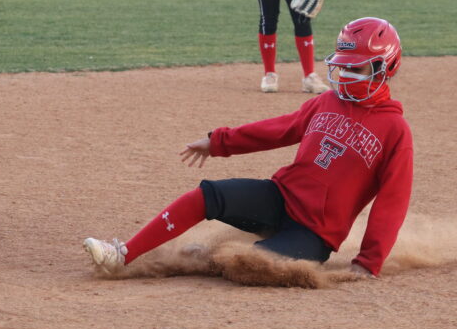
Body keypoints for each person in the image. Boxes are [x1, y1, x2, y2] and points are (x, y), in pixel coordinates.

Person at [84, 18, 413, 279]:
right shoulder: (326, 101)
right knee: (206, 195)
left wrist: (369, 262)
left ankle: (208, 259)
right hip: (280, 197)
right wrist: (219, 141)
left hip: (315, 234)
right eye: (343, 65)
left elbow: (393, 201)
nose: (345, 74)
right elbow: (277, 130)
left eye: (357, 67)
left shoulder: (394, 130)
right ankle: (122, 255)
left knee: (248, 264)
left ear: (387, 67)